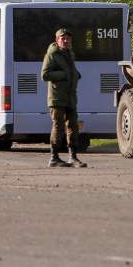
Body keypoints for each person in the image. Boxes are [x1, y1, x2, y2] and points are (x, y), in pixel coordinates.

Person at [42, 28, 86, 168]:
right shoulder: (52, 54)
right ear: (57, 40)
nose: (66, 41)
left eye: (68, 38)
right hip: (57, 97)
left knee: (73, 126)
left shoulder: (69, 53)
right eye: (63, 38)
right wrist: (65, 75)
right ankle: (54, 157)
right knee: (58, 126)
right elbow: (45, 75)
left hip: (70, 96)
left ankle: (73, 157)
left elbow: (69, 69)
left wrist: (75, 74)